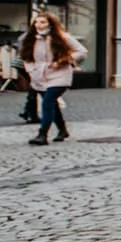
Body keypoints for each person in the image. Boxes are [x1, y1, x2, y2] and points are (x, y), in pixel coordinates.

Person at [22, 10, 84, 145]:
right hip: (39, 76)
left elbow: (81, 51)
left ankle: (42, 134)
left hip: (59, 75)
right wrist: (32, 71)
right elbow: (27, 57)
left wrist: (64, 60)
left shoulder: (62, 37)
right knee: (52, 104)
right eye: (36, 22)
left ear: (50, 23)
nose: (39, 25)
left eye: (43, 22)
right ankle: (63, 130)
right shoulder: (31, 39)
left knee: (47, 102)